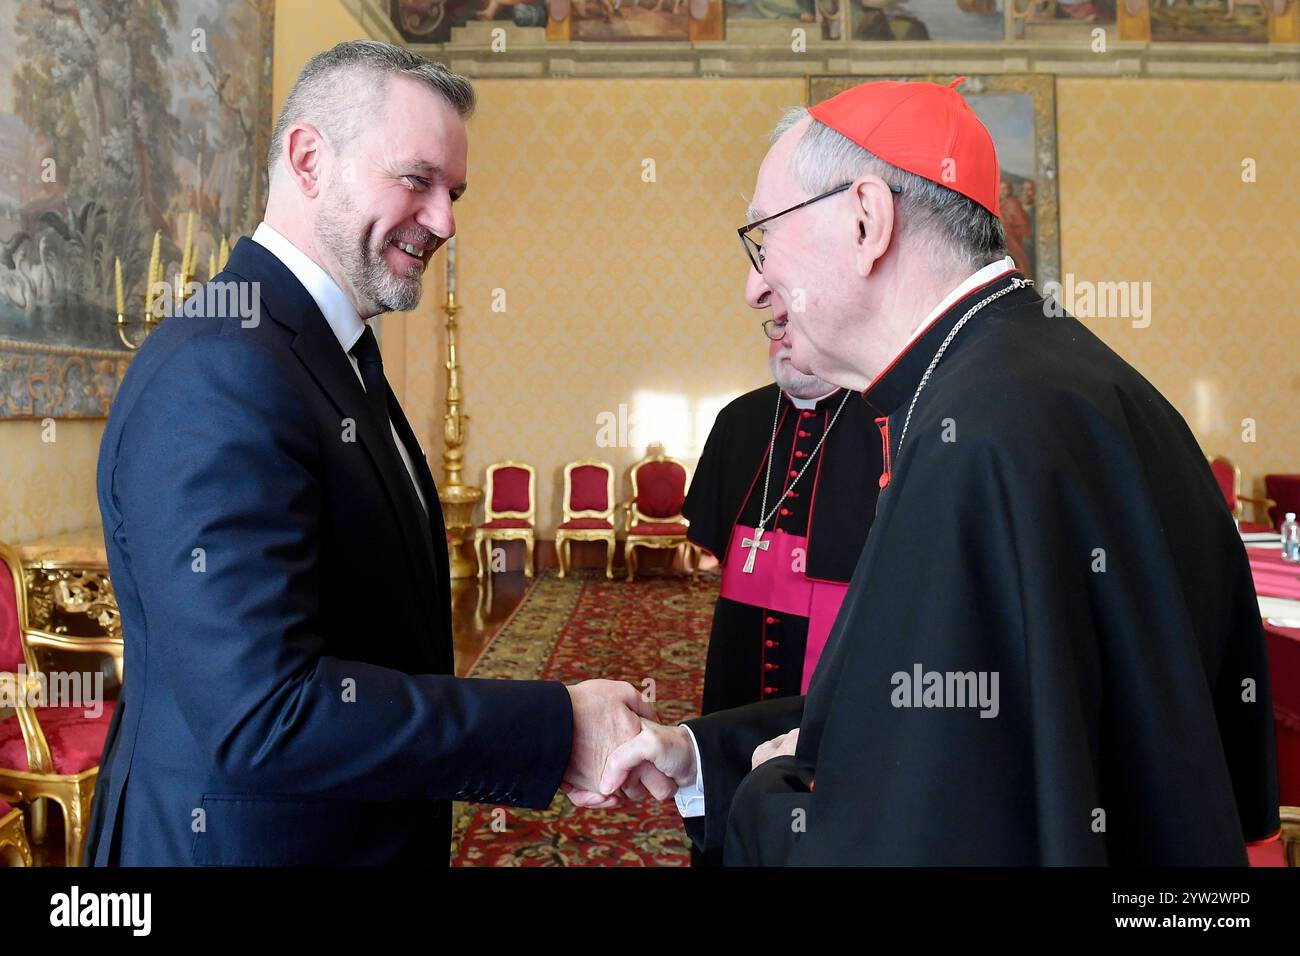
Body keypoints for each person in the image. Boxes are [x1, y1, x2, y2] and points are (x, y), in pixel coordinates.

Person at [585, 78, 1280, 865]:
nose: (753, 286)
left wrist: (760, 797)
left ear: (866, 220)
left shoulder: (972, 439)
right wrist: (706, 754)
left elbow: (914, 833)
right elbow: (940, 709)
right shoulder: (1084, 384)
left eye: (764, 239)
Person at [84, 40, 665, 867]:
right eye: (417, 180)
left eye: (454, 192)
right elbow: (264, 714)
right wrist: (554, 727)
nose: (446, 221)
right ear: (310, 158)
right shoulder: (224, 367)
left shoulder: (322, 350)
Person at [682, 331, 880, 865]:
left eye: (802, 320)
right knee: (730, 756)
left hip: (833, 655)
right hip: (740, 644)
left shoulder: (883, 424)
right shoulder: (740, 420)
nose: (786, 334)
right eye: (778, 322)